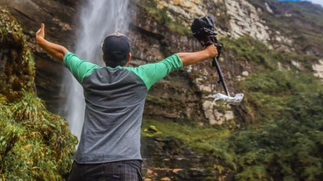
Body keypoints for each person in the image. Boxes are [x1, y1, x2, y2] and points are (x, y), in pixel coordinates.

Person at [36, 23, 218, 181]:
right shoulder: (141, 76)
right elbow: (176, 60)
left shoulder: (88, 74)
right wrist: (208, 52)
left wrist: (41, 41)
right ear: (129, 57)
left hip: (85, 165)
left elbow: (63, 53)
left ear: (103, 57)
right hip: (123, 167)